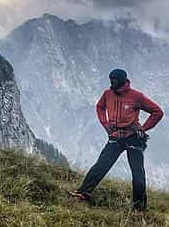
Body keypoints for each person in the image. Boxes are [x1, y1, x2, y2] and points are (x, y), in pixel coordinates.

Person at [69, 69, 164, 213]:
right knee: (101, 165)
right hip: (116, 136)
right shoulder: (107, 94)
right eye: (110, 80)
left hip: (134, 137)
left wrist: (144, 128)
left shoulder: (136, 96)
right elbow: (100, 107)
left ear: (122, 80)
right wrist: (105, 124)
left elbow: (157, 112)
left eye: (114, 80)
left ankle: (139, 208)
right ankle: (83, 193)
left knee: (137, 172)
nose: (111, 83)